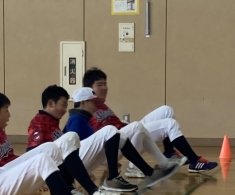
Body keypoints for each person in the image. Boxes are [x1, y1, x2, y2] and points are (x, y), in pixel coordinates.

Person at [0, 90, 120, 195]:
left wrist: (24, 177)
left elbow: (9, 160)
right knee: (42, 160)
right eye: (6, 110)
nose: (9, 115)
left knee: (51, 148)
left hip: (6, 176)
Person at [82, 67, 218, 174]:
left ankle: (169, 153)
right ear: (89, 89)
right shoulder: (86, 109)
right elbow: (91, 140)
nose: (104, 88)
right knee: (170, 124)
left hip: (126, 134)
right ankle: (194, 161)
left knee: (166, 110)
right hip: (117, 144)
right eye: (99, 85)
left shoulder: (101, 105)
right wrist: (107, 163)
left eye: (105, 84)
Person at [64, 87, 180, 190]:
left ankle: (149, 173)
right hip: (75, 166)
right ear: (83, 103)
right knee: (110, 130)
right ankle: (113, 178)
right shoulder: (76, 119)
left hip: (84, 163)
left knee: (121, 136)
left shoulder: (82, 119)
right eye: (93, 102)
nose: (96, 106)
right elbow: (71, 150)